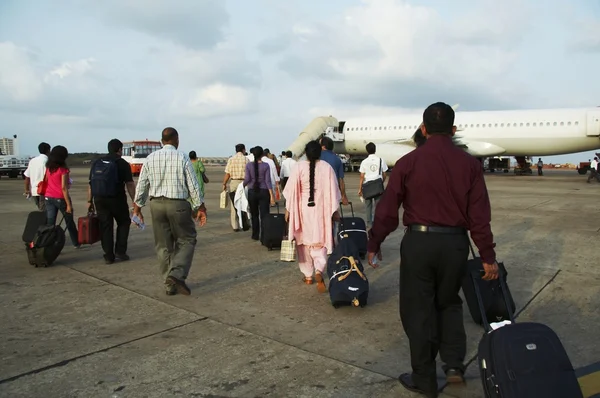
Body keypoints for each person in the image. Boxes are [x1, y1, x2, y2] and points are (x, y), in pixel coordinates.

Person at [366, 102, 499, 398]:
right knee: (449, 302)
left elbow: (387, 210)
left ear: (423, 129)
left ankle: (424, 379)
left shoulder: (408, 163)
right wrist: (487, 256)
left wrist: (374, 242)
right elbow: (479, 216)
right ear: (453, 130)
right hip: (454, 244)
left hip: (419, 243)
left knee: (418, 309)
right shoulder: (471, 165)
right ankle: (453, 365)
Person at [132, 127, 207, 296]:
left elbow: (142, 185)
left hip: (156, 204)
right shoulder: (182, 157)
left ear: (161, 140)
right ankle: (177, 274)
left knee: (163, 246)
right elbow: (193, 186)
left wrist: (137, 208)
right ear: (176, 139)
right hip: (178, 204)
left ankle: (169, 285)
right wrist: (199, 207)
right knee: (187, 239)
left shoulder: (150, 158)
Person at [283, 141, 341, 292]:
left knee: (303, 242)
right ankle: (318, 270)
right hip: (321, 209)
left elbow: (290, 192)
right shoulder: (327, 168)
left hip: (302, 209)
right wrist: (335, 211)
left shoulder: (299, 167)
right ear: (319, 153)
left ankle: (308, 275)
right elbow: (334, 192)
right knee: (320, 241)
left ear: (306, 153)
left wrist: (288, 210)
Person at [88, 139, 136, 264]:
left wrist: (89, 201)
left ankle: (108, 255)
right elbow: (130, 184)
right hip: (117, 199)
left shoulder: (97, 162)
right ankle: (120, 251)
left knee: (105, 226)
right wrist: (135, 201)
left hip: (99, 199)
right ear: (120, 149)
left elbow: (91, 184)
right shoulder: (122, 163)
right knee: (124, 222)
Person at [43, 145, 80, 248]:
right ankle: (76, 242)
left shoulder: (48, 167)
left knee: (50, 222)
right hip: (60, 198)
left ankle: (47, 242)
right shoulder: (63, 169)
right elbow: (64, 188)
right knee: (69, 221)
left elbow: (46, 180)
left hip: (48, 197)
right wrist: (68, 204)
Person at [243, 146, 275, 241]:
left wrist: (241, 186)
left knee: (254, 215)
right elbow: (268, 181)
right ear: (262, 155)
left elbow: (247, 179)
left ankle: (255, 235)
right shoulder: (266, 166)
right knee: (264, 215)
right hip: (264, 192)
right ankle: (264, 235)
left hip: (252, 191)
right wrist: (272, 196)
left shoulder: (249, 165)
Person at [358, 142, 388, 229]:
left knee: (368, 206)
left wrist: (360, 189)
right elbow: (384, 174)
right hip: (377, 185)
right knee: (378, 206)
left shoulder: (364, 162)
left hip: (367, 186)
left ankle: (369, 224)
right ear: (375, 149)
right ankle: (378, 222)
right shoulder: (381, 160)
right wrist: (381, 181)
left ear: (367, 151)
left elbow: (362, 176)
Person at [222, 144, 250, 232]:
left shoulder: (231, 159)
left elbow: (228, 173)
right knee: (245, 203)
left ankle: (235, 225)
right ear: (243, 150)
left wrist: (224, 183)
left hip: (234, 182)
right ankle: (245, 223)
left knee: (234, 204)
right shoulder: (246, 159)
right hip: (244, 183)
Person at [319, 136, 349, 205]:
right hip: (333, 192)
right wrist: (343, 196)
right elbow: (341, 180)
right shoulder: (337, 159)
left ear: (323, 147)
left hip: (319, 192)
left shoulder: (317, 157)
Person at [24, 142, 51, 211]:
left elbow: (27, 176)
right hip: (44, 191)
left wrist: (27, 189)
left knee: (41, 210)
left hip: (34, 191)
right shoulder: (48, 161)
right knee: (45, 212)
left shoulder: (32, 161)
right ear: (48, 150)